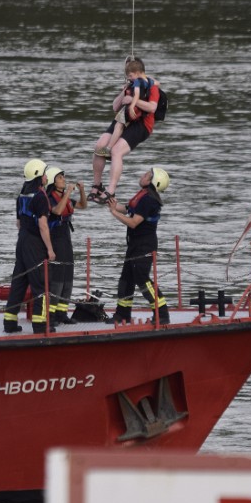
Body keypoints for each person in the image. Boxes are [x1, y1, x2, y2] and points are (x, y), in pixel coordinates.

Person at [88, 57, 162, 205]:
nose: (127, 75)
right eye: (126, 72)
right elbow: (115, 107)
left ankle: (111, 190)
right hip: (123, 119)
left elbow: (152, 107)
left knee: (116, 151)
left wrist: (133, 101)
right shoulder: (129, 86)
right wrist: (124, 93)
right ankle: (97, 185)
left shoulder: (151, 86)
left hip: (141, 124)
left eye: (130, 72)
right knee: (99, 145)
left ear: (137, 71)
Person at [107, 167, 171, 325]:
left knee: (142, 279)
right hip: (135, 243)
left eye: (147, 175)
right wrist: (112, 203)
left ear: (152, 182)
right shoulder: (143, 196)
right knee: (126, 279)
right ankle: (122, 314)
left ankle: (162, 313)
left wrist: (114, 213)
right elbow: (129, 209)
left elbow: (134, 222)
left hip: (144, 244)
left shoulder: (149, 200)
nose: (143, 176)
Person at [2, 159, 56, 334]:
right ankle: (40, 325)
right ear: (39, 177)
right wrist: (49, 249)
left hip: (22, 240)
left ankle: (9, 323)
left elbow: (18, 222)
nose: (47, 176)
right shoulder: (41, 197)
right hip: (34, 242)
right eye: (45, 173)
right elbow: (43, 225)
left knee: (19, 281)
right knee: (41, 284)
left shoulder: (22, 195)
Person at [44, 166, 87, 325]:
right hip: (55, 238)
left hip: (66, 236)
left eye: (63, 177)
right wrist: (68, 192)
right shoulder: (49, 197)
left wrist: (82, 190)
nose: (63, 179)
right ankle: (52, 315)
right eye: (60, 177)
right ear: (52, 182)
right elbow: (57, 212)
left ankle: (62, 313)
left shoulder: (65, 196)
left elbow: (83, 205)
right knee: (58, 277)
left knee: (68, 275)